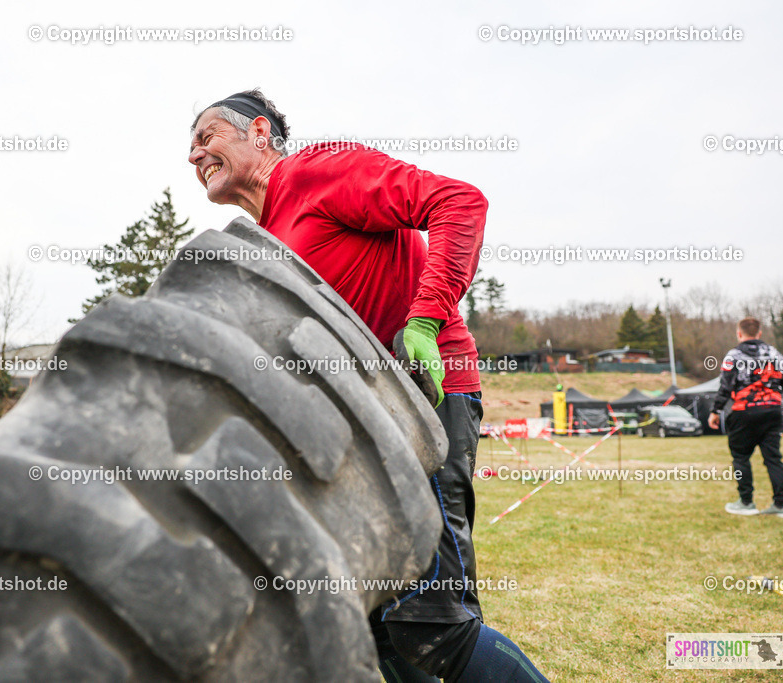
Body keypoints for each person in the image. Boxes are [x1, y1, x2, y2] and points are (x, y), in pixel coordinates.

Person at [188, 89, 548, 682]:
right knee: (375, 620)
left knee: (430, 623)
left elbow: (460, 202)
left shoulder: (321, 170)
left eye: (206, 137)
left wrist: (427, 319)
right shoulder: (266, 243)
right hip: (363, 428)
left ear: (258, 132)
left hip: (426, 401)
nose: (195, 154)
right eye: (191, 147)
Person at [710, 317, 783, 517]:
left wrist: (716, 411)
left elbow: (725, 386)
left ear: (739, 334)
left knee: (740, 457)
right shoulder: (774, 354)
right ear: (759, 333)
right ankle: (781, 504)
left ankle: (746, 501)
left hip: (744, 412)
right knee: (774, 459)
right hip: (773, 412)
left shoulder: (733, 355)